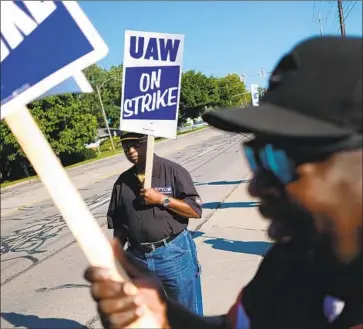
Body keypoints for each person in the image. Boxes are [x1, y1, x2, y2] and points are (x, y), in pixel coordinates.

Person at [84, 36, 362, 328]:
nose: (255, 187)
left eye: (281, 159)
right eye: (256, 156)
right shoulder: (289, 265)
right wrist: (165, 315)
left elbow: (193, 208)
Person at [105, 131, 203, 315]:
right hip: (138, 257)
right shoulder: (122, 182)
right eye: (126, 147)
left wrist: (161, 199)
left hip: (173, 253)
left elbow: (195, 210)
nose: (131, 150)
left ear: (149, 143)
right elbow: (120, 225)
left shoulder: (172, 171)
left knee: (187, 313)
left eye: (136, 144)